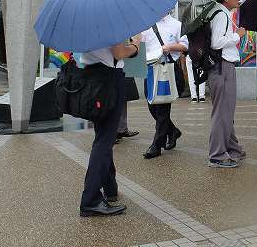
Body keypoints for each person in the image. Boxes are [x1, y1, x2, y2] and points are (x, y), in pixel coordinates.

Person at [79, 37, 139, 217]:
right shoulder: (111, 23)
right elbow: (119, 53)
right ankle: (90, 200)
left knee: (103, 134)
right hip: (109, 79)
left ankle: (110, 187)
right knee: (105, 140)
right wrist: (135, 45)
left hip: (91, 76)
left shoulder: (86, 23)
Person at [208, 0, 247, 168]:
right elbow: (217, 42)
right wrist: (237, 35)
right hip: (222, 66)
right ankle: (217, 155)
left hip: (223, 66)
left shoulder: (221, 13)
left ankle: (232, 148)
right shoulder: (221, 15)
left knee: (226, 111)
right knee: (222, 111)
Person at [140, 13, 188, 159]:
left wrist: (169, 47)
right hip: (150, 69)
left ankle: (157, 145)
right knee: (152, 106)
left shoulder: (177, 24)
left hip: (167, 70)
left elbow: (185, 45)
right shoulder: (145, 24)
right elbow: (140, 45)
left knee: (162, 108)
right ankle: (172, 131)